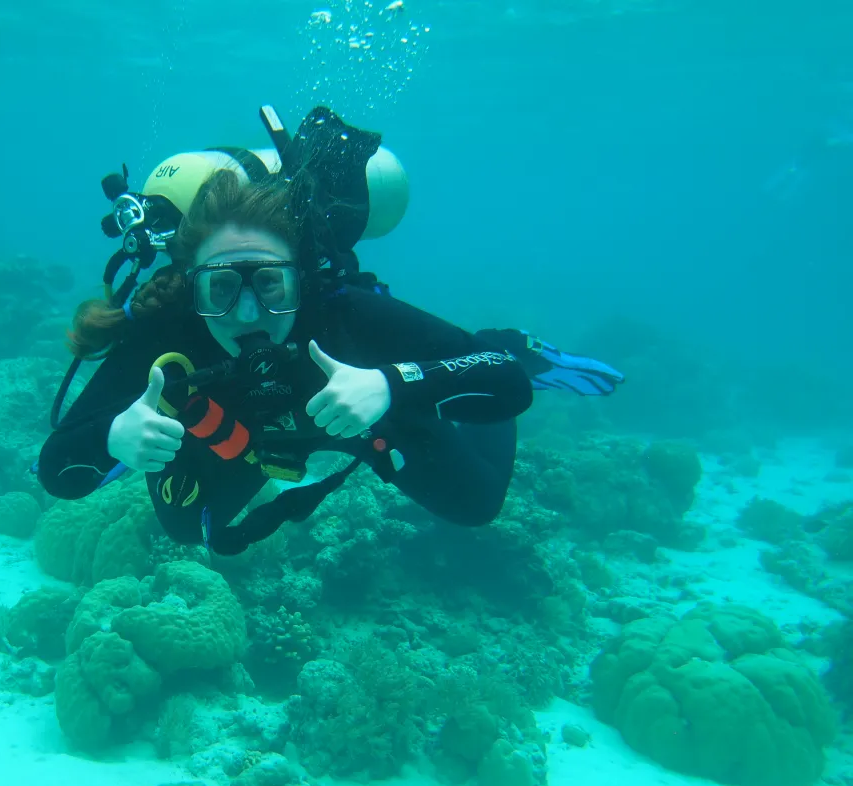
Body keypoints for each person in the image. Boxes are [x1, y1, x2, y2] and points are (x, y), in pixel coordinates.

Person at [36, 162, 622, 556]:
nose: (247, 314)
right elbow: (56, 468)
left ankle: (506, 339)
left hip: (364, 411)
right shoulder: (168, 337)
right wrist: (113, 435)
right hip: (247, 435)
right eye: (220, 290)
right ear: (192, 291)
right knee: (189, 530)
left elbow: (505, 381)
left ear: (302, 283)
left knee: (475, 503)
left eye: (270, 285)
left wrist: (392, 385)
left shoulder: (340, 312)